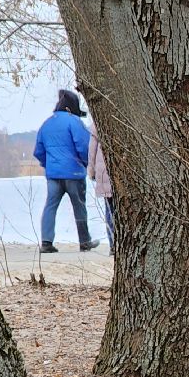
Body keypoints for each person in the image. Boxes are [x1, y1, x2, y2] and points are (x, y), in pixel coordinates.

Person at [33, 88, 98, 253]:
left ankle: (46, 242)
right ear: (71, 107)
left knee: (50, 206)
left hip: (53, 175)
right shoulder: (74, 121)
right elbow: (84, 147)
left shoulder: (46, 124)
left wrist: (49, 165)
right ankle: (84, 241)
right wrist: (86, 164)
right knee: (79, 206)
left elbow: (38, 151)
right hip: (73, 173)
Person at [87, 128, 114, 255]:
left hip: (104, 171)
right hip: (122, 171)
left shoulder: (97, 123)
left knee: (110, 209)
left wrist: (91, 171)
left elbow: (92, 151)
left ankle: (113, 244)